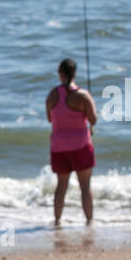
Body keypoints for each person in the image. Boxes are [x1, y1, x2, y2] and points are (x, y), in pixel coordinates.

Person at [45, 57, 97, 226]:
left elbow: (49, 119)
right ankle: (89, 221)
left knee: (61, 187)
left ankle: (57, 221)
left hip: (59, 148)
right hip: (81, 146)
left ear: (60, 74)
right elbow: (93, 119)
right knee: (85, 186)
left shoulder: (53, 95)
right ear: (75, 73)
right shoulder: (82, 95)